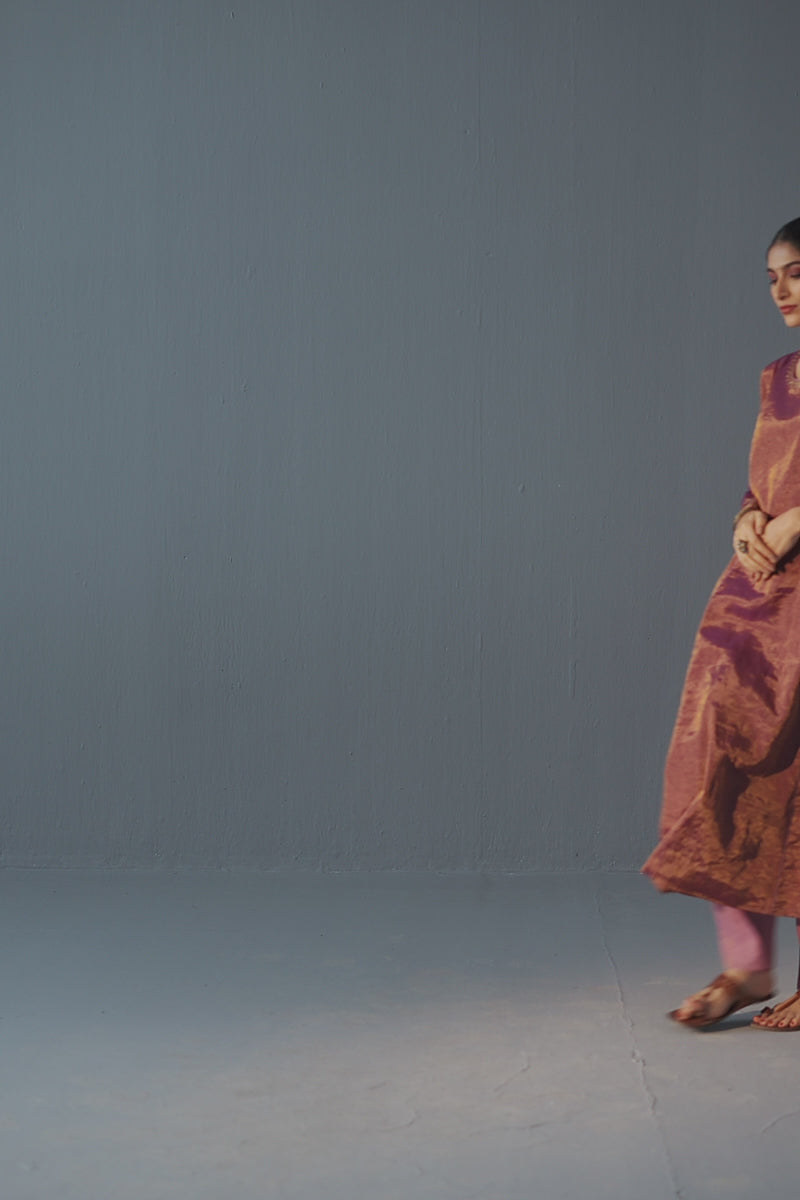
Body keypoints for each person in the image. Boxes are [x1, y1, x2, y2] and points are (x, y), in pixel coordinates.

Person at [642, 217, 800, 1030]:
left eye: (797, 272)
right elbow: (761, 480)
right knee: (719, 750)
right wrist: (745, 522)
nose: (781, 290)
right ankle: (748, 965)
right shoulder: (778, 376)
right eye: (772, 277)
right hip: (758, 589)